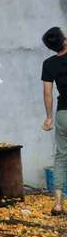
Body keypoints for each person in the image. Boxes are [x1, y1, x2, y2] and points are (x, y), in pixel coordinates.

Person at [41, 26, 67, 215]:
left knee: (61, 157)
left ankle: (58, 204)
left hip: (63, 114)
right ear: (63, 41)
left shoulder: (49, 64)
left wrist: (49, 117)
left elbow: (47, 93)